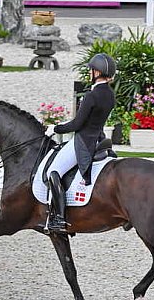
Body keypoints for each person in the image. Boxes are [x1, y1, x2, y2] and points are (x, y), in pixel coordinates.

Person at [46, 53, 116, 232]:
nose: (90, 72)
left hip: (84, 141)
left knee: (53, 172)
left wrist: (56, 128)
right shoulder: (110, 94)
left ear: (97, 72)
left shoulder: (91, 95)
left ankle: (59, 218)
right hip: (99, 138)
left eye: (92, 70)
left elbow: (77, 124)